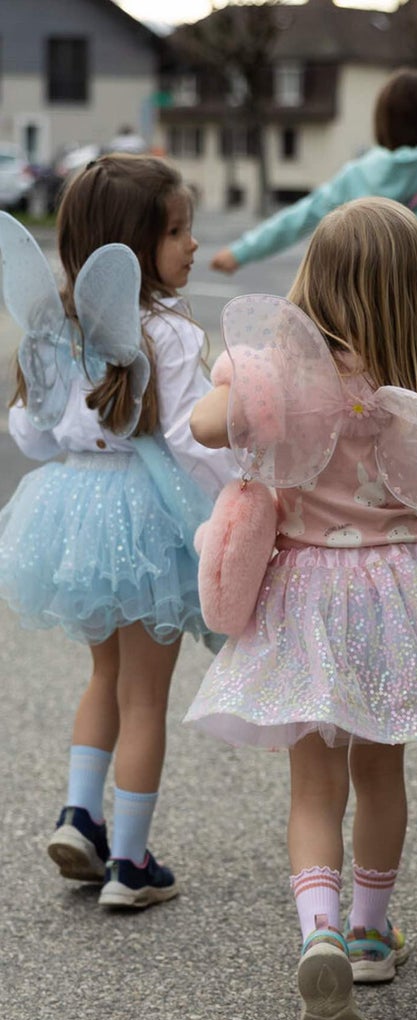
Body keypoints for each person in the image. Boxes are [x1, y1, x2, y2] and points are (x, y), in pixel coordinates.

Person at [187, 196, 417, 1020]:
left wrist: (245, 378)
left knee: (313, 782)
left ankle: (321, 934)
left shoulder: (282, 381)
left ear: (315, 282)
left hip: (305, 594)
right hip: (396, 600)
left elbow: (200, 425)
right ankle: (374, 934)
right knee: (382, 775)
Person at [0, 154, 236, 909]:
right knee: (145, 698)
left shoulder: (52, 329)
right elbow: (197, 441)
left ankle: (80, 814)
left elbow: (32, 437)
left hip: (72, 515)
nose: (192, 245)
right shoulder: (164, 331)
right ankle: (129, 865)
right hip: (148, 520)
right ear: (128, 248)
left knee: (104, 676)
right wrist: (241, 500)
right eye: (176, 232)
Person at [209, 67, 417, 383]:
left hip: (364, 307)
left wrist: (240, 252)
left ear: (382, 123)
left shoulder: (358, 175)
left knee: (368, 395)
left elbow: (298, 218)